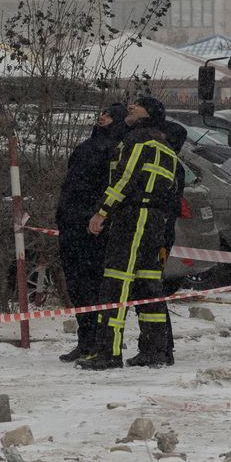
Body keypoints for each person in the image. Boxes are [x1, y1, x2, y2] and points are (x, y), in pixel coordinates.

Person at [80, 94, 183, 369]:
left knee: (116, 282)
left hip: (133, 218)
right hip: (154, 222)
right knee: (148, 284)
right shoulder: (167, 147)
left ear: (148, 114)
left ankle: (108, 352)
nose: (130, 107)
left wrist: (103, 210)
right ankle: (155, 350)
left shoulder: (138, 140)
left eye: (136, 105)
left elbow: (126, 178)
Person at [55, 102, 127, 363]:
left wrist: (97, 215)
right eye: (103, 112)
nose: (102, 116)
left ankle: (100, 342)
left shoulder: (118, 150)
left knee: (95, 287)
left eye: (109, 114)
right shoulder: (86, 147)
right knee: (77, 287)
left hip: (95, 228)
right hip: (70, 225)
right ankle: (85, 341)